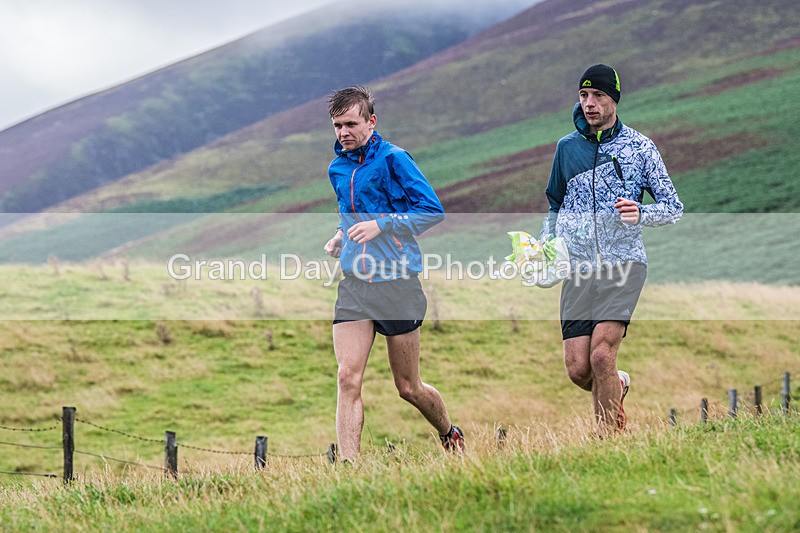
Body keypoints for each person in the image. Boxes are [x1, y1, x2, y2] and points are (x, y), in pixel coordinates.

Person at [323, 85, 463, 462]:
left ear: (371, 122)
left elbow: (432, 211)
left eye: (351, 123)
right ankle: (349, 467)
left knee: (408, 387)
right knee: (347, 377)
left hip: (397, 284)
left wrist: (382, 225)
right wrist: (340, 235)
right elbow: (349, 211)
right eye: (337, 125)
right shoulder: (337, 168)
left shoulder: (394, 158)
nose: (343, 132)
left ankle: (449, 433)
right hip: (355, 285)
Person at [542, 64, 683, 434]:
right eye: (584, 96)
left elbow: (672, 206)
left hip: (624, 264)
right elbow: (555, 204)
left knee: (602, 354)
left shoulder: (639, 148)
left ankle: (609, 439)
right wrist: (546, 243)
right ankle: (617, 386)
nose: (589, 104)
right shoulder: (566, 148)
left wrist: (641, 212)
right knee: (579, 369)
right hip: (578, 269)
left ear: (614, 99)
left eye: (598, 96)